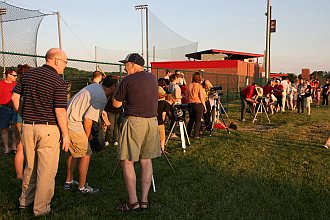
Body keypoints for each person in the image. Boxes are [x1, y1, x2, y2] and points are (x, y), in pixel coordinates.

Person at [11, 48, 70, 216]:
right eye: (65, 62)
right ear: (56, 60)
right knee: (46, 171)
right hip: (48, 129)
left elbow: (15, 97)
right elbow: (60, 111)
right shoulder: (58, 81)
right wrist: (65, 134)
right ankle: (41, 208)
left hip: (28, 127)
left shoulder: (28, 75)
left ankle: (25, 202)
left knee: (30, 166)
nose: (65, 66)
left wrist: (23, 114)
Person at [113, 53, 160, 211]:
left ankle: (133, 202)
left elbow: (116, 104)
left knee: (127, 161)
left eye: (126, 64)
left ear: (132, 64)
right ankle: (144, 200)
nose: (125, 67)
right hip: (152, 122)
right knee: (146, 161)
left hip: (134, 122)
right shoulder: (153, 78)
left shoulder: (127, 79)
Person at [64, 76, 117, 193]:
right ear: (113, 87)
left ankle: (69, 181)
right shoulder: (101, 97)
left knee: (73, 153)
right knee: (86, 153)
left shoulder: (96, 87)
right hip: (74, 123)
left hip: (67, 120)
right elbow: (88, 119)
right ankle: (82, 187)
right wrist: (87, 136)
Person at [14, 64, 32, 180]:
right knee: (30, 148)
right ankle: (28, 173)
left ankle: (19, 175)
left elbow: (14, 99)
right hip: (27, 120)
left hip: (18, 119)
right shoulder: (30, 85)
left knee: (19, 147)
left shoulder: (18, 85)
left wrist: (19, 112)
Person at [0, 69, 18, 155]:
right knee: (4, 129)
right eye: (14, 75)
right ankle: (6, 148)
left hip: (15, 109)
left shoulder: (17, 85)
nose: (16, 77)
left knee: (15, 129)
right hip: (4, 108)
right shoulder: (1, 84)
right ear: (8, 75)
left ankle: (14, 146)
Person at [186, 72, 206, 138]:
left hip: (190, 104)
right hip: (198, 104)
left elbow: (186, 96)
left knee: (191, 120)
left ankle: (187, 133)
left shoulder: (189, 85)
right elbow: (201, 97)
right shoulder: (199, 86)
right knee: (198, 120)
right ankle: (196, 135)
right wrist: (204, 106)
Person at [104, 78, 122, 147]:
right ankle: (107, 140)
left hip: (118, 111)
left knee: (116, 127)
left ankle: (116, 140)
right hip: (110, 111)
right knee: (110, 127)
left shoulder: (121, 92)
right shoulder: (111, 92)